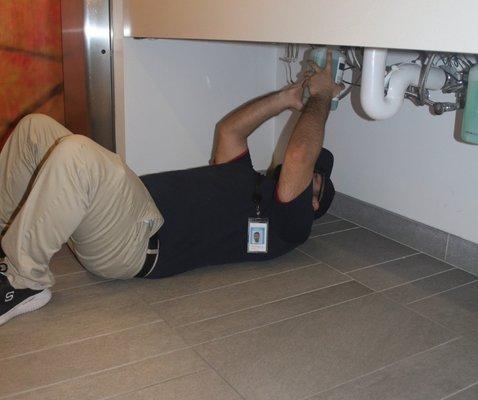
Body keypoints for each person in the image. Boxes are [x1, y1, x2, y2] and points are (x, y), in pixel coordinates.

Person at [0, 51, 342, 326]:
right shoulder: (246, 180)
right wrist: (286, 98)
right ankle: (6, 242)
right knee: (35, 130)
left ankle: (24, 282)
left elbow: (300, 155)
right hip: (120, 220)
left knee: (77, 155)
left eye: (312, 179)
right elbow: (229, 130)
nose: (303, 168)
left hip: (136, 242)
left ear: (310, 205)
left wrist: (323, 95)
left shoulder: (291, 227)